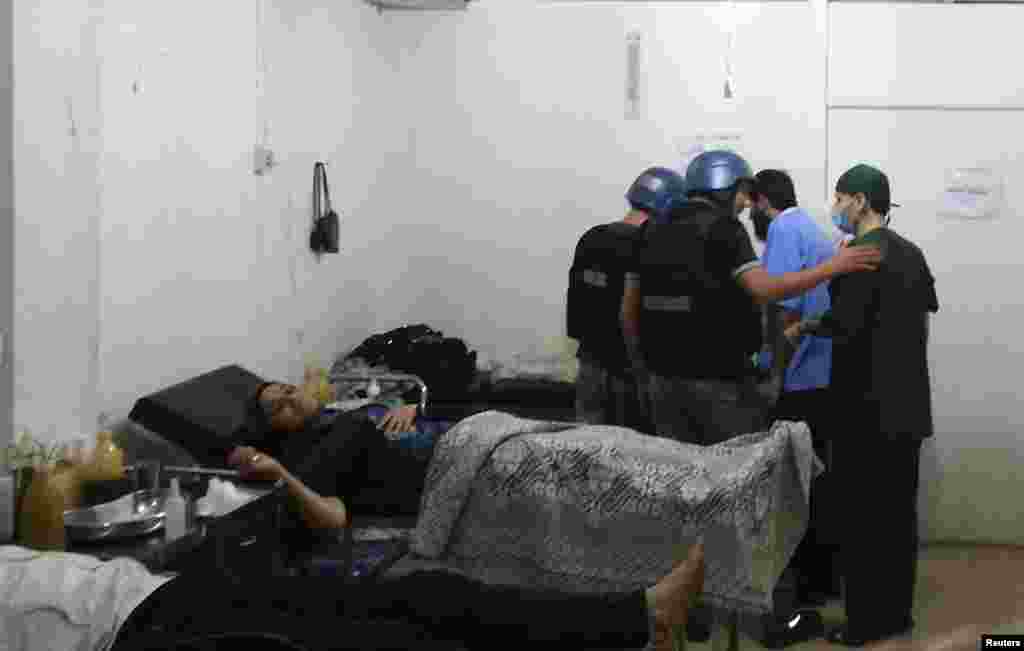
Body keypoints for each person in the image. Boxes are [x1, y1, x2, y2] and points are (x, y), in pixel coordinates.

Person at [1, 516, 707, 651]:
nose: (287, 400)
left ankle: (638, 614)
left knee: (433, 596)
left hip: (162, 593)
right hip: (143, 633)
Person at [621, 150, 883, 446]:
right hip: (719, 384)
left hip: (662, 381)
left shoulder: (650, 232)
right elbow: (766, 290)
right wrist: (833, 266)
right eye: (743, 193)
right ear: (723, 187)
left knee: (679, 476)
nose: (746, 203)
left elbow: (628, 312)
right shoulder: (723, 228)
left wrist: (641, 373)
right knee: (733, 478)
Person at [786, 164, 939, 647]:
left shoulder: (857, 259)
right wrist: (811, 327)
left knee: (862, 522)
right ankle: (895, 617)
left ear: (859, 201)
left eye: (839, 199)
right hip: (908, 408)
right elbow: (921, 317)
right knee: (897, 519)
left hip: (864, 411)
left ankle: (865, 626)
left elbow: (847, 327)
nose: (835, 208)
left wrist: (811, 320)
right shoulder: (910, 254)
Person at [753, 169, 840, 607]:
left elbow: (783, 311)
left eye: (752, 206)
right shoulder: (811, 227)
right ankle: (822, 582)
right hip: (823, 377)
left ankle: (802, 588)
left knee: (795, 486)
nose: (751, 214)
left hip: (800, 379)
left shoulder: (785, 228)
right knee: (818, 481)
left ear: (764, 202)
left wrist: (771, 375)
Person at [567, 167, 686, 430]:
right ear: (668, 206)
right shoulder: (647, 245)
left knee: (585, 454)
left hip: (589, 366)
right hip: (629, 373)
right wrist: (642, 371)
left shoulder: (591, 237)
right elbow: (631, 314)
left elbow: (576, 308)